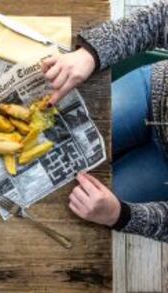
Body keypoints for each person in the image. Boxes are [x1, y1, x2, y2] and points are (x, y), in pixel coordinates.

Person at [41, 1, 168, 242]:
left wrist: (119, 215)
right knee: (55, 131)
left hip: (162, 168)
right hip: (153, 92)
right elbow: (161, 19)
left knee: (73, 203)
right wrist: (91, 54)